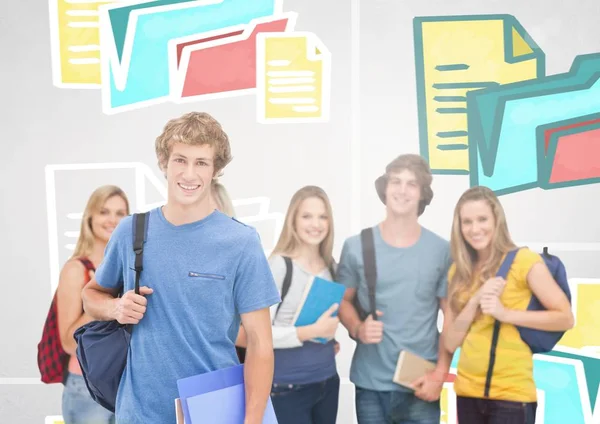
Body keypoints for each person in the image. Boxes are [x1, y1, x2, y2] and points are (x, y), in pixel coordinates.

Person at [81, 112, 281, 424]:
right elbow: (91, 296)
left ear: (216, 170)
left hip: (213, 412)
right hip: (139, 413)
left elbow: (260, 344)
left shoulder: (240, 242)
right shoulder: (131, 231)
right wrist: (116, 307)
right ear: (164, 163)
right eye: (180, 160)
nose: (189, 173)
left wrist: (252, 420)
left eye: (201, 162)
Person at [337, 154, 453, 424]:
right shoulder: (356, 246)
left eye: (412, 184)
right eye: (396, 181)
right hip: (370, 384)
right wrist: (357, 328)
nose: (402, 190)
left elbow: (451, 317)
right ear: (385, 189)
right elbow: (342, 301)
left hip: (421, 383)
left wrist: (440, 375)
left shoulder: (441, 250)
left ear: (423, 194)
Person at [443, 186, 574, 424]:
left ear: (497, 221)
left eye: (482, 219)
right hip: (467, 394)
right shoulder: (458, 272)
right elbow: (450, 342)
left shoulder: (524, 261)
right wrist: (475, 301)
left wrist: (505, 314)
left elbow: (565, 317)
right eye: (467, 222)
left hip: (512, 398)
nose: (475, 229)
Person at [239, 185, 341, 423]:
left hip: (327, 382)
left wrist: (327, 337)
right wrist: (311, 332)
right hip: (288, 387)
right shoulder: (278, 266)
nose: (315, 224)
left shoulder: (331, 266)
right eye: (307, 216)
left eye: (322, 216)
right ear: (293, 220)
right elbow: (258, 336)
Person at [56, 185, 129, 424]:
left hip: (125, 383)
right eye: (104, 212)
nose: (112, 220)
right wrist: (100, 298)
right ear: (90, 217)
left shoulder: (131, 268)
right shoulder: (76, 269)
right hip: (86, 385)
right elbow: (68, 342)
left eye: (120, 213)